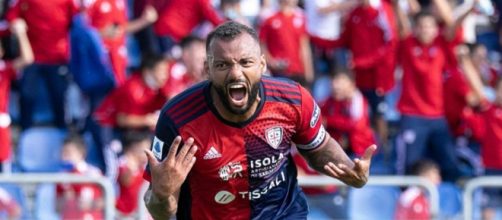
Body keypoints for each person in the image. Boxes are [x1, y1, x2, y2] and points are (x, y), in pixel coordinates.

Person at [142, 21, 376, 219]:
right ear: (207, 69)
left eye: (245, 62)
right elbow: (160, 212)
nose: (236, 73)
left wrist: (348, 168)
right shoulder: (178, 118)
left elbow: (318, 147)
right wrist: (162, 195)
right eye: (222, 64)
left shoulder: (293, 100)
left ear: (262, 65)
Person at [310, 0, 398, 147]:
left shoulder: (381, 9)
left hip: (377, 78)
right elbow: (344, 39)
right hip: (358, 78)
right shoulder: (355, 13)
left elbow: (391, 44)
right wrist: (314, 38)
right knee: (355, 114)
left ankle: (383, 154)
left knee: (378, 116)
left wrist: (363, 61)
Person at [6, 0, 79, 130]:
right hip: (32, 57)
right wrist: (17, 26)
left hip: (58, 56)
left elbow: (78, 20)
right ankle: (24, 131)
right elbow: (12, 17)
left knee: (59, 95)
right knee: (27, 95)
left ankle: (64, 132)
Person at [94, 53, 169, 132]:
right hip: (107, 126)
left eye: (166, 71)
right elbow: (122, 120)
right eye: (161, 71)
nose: (165, 75)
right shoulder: (132, 88)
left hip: (134, 127)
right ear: (147, 72)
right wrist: (147, 120)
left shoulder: (159, 87)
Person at [0, 18, 33, 172]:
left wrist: (21, 34)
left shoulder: (4, 69)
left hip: (1, 128)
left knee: (4, 169)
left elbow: (27, 59)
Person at [259, 0, 314, 87]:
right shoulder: (269, 19)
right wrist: (271, 62)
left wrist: (308, 74)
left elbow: (304, 47)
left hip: (297, 71)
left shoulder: (301, 18)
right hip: (279, 72)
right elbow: (262, 44)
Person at [321, 72, 376, 157]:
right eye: (335, 84)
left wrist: (329, 121)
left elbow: (355, 125)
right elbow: (321, 118)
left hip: (359, 150)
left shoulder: (358, 100)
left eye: (341, 84)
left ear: (351, 85)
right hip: (338, 149)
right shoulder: (331, 101)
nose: (337, 88)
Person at [56, 134, 104, 220]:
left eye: (68, 152)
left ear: (81, 153)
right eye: (62, 152)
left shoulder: (94, 173)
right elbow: (56, 207)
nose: (64, 157)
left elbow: (107, 200)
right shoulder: (62, 176)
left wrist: (92, 204)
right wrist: (67, 201)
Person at [116, 131, 151, 218]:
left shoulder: (145, 165)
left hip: (143, 213)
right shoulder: (123, 164)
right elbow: (126, 181)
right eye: (143, 149)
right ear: (129, 149)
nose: (147, 152)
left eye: (148, 148)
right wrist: (131, 169)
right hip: (125, 215)